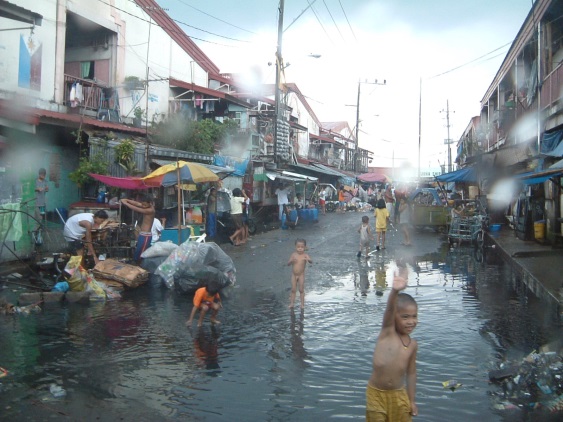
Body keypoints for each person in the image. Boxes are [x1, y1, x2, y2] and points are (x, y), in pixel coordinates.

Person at [366, 259, 418, 421]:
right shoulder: (387, 332)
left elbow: (411, 373)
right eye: (405, 317)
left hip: (399, 395)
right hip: (376, 395)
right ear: (394, 317)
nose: (411, 321)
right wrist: (394, 292)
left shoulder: (412, 345)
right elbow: (389, 310)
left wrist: (412, 401)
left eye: (414, 317)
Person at [120, 195, 155, 262]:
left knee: (141, 254)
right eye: (143, 204)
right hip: (142, 234)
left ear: (150, 203)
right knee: (137, 251)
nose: (143, 206)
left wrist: (126, 203)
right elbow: (137, 204)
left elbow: (136, 209)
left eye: (144, 205)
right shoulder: (146, 206)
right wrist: (127, 200)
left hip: (146, 236)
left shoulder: (150, 210)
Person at [287, 238, 313, 308]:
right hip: (294, 275)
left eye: (302, 247)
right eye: (298, 247)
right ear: (295, 247)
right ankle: (292, 303)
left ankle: (302, 304)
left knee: (301, 290)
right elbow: (288, 264)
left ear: (305, 247)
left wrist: (308, 260)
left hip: (301, 275)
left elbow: (311, 261)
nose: (300, 249)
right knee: (293, 290)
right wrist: (291, 260)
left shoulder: (305, 255)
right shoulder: (293, 255)